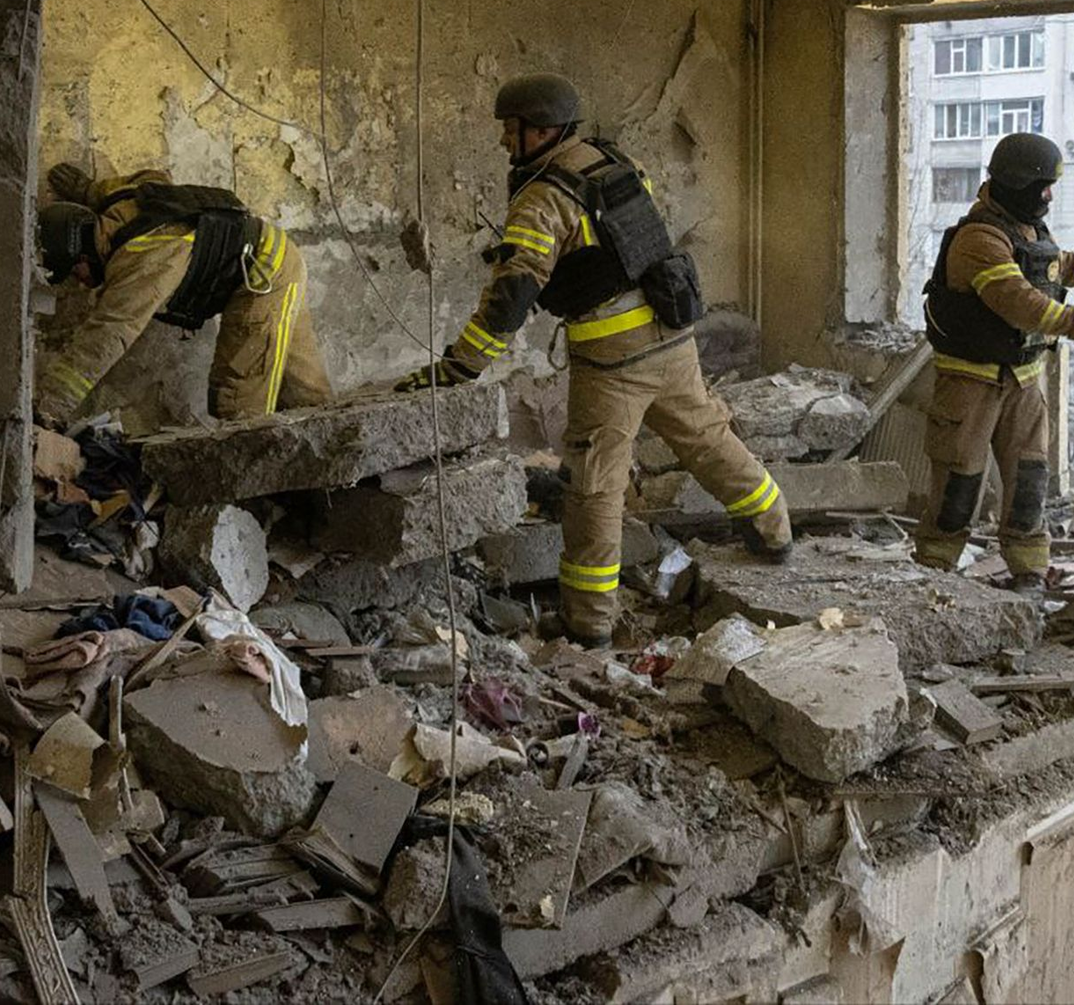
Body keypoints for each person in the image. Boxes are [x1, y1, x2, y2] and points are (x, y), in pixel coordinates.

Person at [395, 72, 792, 647]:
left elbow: (512, 298)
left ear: (542, 129)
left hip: (612, 364)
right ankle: (774, 529)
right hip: (673, 338)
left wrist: (461, 367)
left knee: (593, 487)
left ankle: (588, 622)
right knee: (707, 439)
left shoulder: (541, 198)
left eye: (512, 129)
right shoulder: (614, 162)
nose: (505, 141)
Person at [915, 132, 1074, 591]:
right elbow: (1021, 303)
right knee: (958, 484)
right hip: (970, 384)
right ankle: (935, 574)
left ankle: (1028, 570)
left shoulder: (1028, 230)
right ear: (1015, 182)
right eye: (1042, 185)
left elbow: (1062, 266)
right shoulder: (977, 239)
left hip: (1025, 382)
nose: (1048, 195)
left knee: (1030, 482)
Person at [35, 162, 332, 426]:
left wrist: (51, 404)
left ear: (83, 255)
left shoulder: (140, 260)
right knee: (304, 389)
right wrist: (89, 190)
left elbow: (108, 333)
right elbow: (152, 176)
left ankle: (260, 486)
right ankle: (331, 472)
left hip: (260, 277)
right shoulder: (122, 201)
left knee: (240, 404)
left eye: (76, 272)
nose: (82, 283)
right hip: (278, 255)